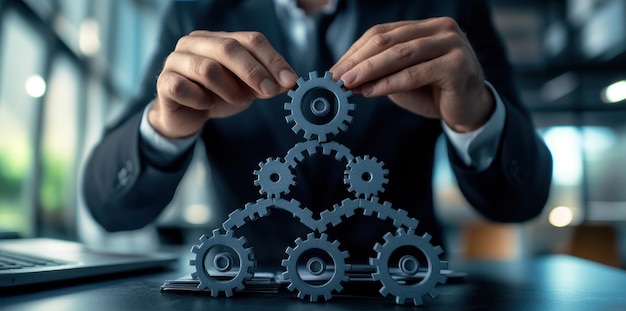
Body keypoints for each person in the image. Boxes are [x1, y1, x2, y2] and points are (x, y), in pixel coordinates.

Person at [83, 0, 552, 265]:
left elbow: (521, 199)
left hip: (404, 288)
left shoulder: (447, 10)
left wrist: (475, 117)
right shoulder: (198, 13)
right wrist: (166, 127)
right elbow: (109, 205)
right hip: (243, 293)